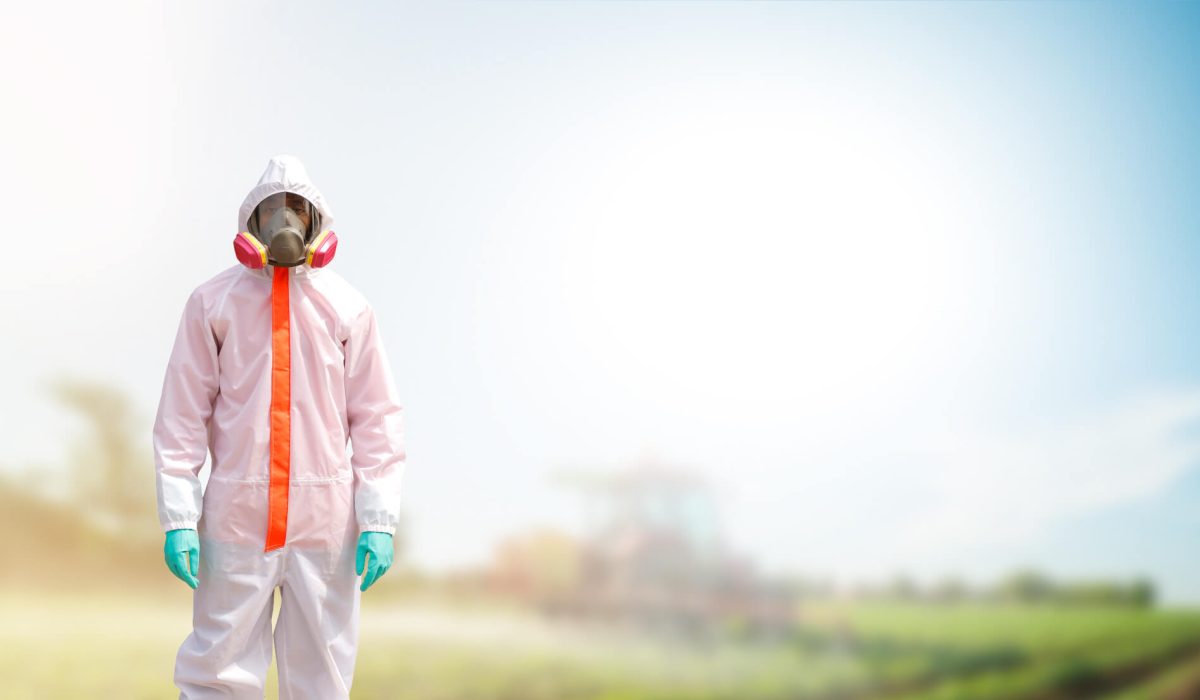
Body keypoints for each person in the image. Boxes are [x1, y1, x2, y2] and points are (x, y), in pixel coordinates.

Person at [153, 154, 407, 699]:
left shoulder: (347, 306)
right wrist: (179, 515)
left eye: (296, 208)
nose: (283, 220)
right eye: (271, 210)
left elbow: (376, 417)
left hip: (325, 522)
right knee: (217, 668)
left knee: (322, 674)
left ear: (315, 220)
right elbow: (182, 414)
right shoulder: (213, 302)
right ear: (252, 221)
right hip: (236, 519)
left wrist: (379, 518)